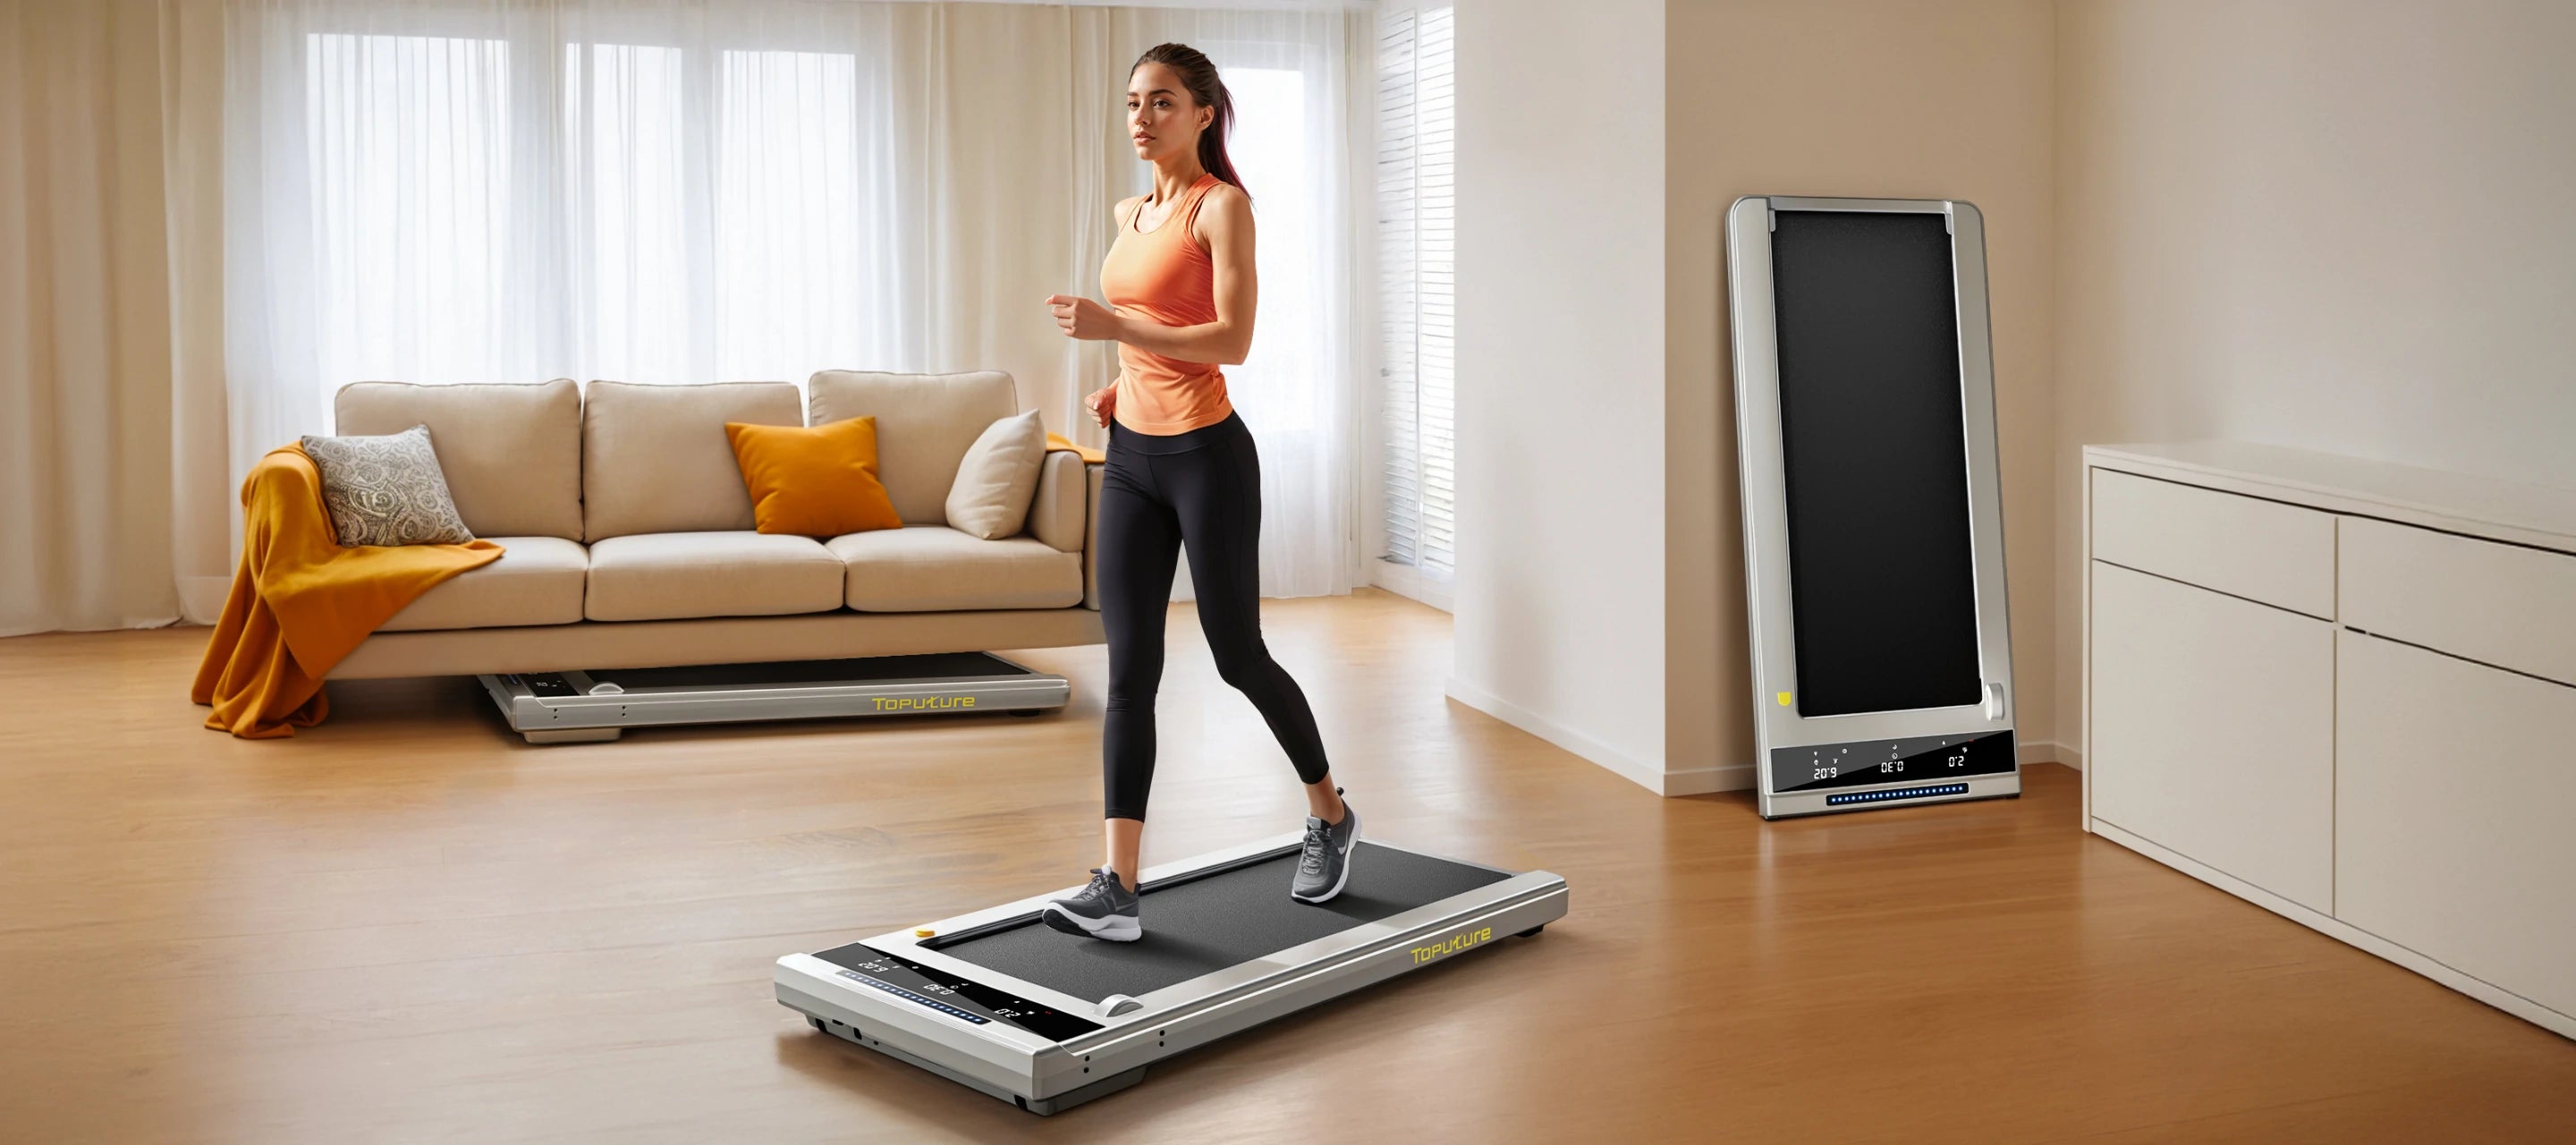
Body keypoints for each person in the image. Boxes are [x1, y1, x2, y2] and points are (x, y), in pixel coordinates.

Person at [1038, 43, 1353, 942]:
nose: (1141, 118)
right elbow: (1157, 335)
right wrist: (1118, 379)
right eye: (1134, 101)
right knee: (1130, 669)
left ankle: (1329, 812)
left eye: (1163, 102)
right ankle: (1118, 886)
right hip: (1132, 458)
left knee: (1236, 654)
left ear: (1205, 112)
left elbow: (1232, 339)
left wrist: (1111, 326)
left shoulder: (1225, 209)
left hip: (1206, 459)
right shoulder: (1130, 209)